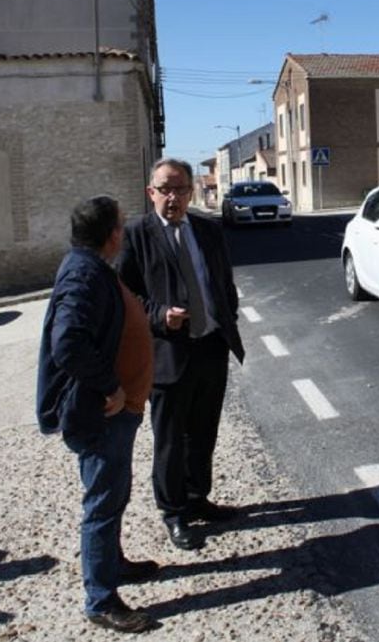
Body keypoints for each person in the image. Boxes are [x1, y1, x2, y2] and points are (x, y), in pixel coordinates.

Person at [36, 195, 159, 634]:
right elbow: (66, 342)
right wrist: (110, 386)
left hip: (118, 412)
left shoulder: (89, 267)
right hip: (102, 413)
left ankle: (113, 564)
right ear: (111, 235)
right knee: (103, 503)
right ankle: (101, 599)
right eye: (121, 226)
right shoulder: (83, 275)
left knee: (113, 496)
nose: (124, 233)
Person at [117, 158, 245, 551]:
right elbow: (125, 294)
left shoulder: (207, 229)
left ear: (191, 191)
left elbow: (222, 280)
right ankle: (173, 513)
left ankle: (197, 496)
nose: (172, 197)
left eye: (180, 189)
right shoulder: (137, 234)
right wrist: (159, 316)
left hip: (210, 346)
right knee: (171, 438)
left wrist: (227, 314)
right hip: (167, 352)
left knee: (204, 431)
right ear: (150, 192)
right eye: (165, 189)